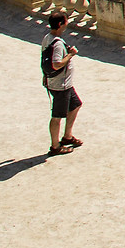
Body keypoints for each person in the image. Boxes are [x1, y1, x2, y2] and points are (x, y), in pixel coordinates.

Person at [41, 11, 84, 154]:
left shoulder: (48, 38)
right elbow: (56, 64)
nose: (67, 23)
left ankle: (67, 136)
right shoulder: (58, 44)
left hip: (62, 84)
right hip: (61, 86)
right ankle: (55, 147)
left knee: (76, 105)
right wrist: (71, 54)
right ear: (60, 24)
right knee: (57, 116)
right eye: (66, 21)